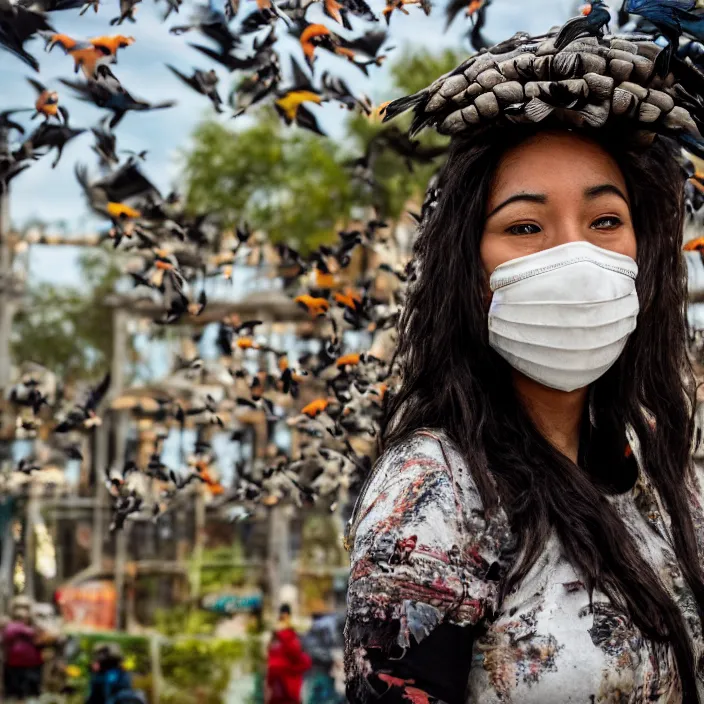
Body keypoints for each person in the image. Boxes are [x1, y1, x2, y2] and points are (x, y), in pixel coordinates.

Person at [344, 17, 704, 704]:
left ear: (643, 251)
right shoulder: (435, 493)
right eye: (525, 227)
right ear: (469, 271)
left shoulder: (664, 482)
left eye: (604, 222)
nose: (574, 257)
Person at [265, 604, 312, 704]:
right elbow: (295, 655)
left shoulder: (274, 635)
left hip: (275, 680)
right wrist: (307, 661)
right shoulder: (288, 634)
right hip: (288, 682)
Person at [2, 596, 44, 703]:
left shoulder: (36, 623)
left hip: (33, 664)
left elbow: (44, 637)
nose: (22, 610)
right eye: (19, 607)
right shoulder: (8, 624)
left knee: (32, 694)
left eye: (25, 607)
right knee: (15, 695)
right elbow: (7, 635)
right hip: (14, 665)